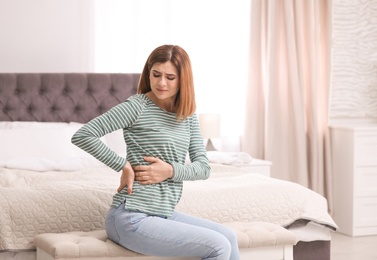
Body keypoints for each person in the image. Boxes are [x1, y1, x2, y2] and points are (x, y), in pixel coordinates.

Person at [71, 44, 240, 260]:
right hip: (131, 216)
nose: (161, 82)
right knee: (218, 246)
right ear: (148, 73)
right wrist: (122, 165)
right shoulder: (137, 106)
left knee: (229, 237)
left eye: (170, 77)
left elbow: (203, 168)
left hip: (162, 214)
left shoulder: (187, 116)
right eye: (156, 74)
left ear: (182, 80)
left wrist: (170, 171)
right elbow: (84, 135)